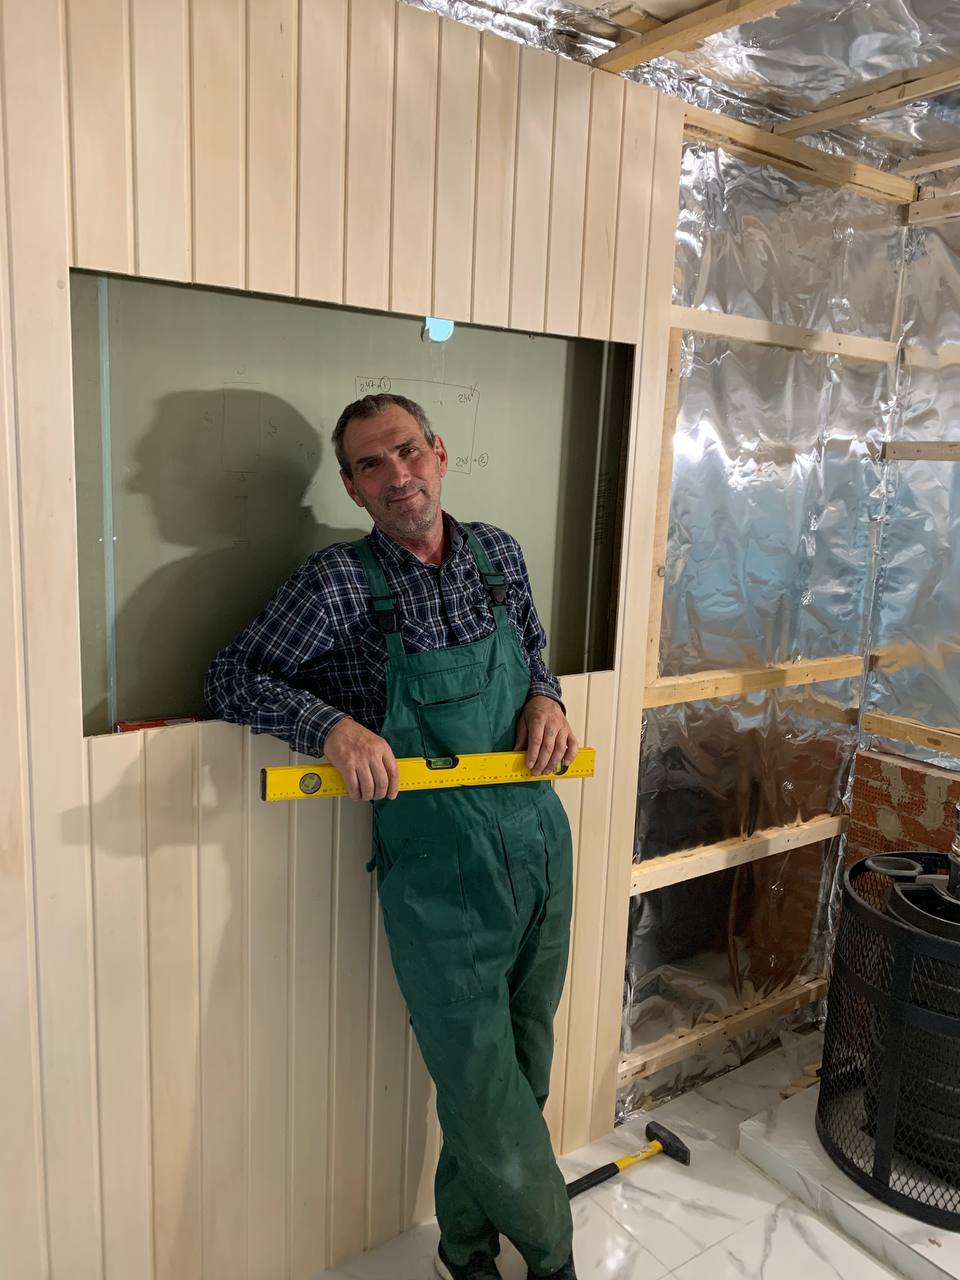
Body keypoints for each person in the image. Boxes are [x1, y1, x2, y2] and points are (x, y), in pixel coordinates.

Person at [206, 393, 579, 1280]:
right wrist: (330, 727)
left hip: (538, 839)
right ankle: (554, 1255)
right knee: (483, 1083)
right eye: (371, 464)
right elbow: (230, 676)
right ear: (351, 486)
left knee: (524, 1061)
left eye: (407, 451)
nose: (396, 474)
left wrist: (547, 696)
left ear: (439, 454)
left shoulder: (497, 553)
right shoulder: (337, 583)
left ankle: (464, 1248)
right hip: (437, 869)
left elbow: (533, 650)